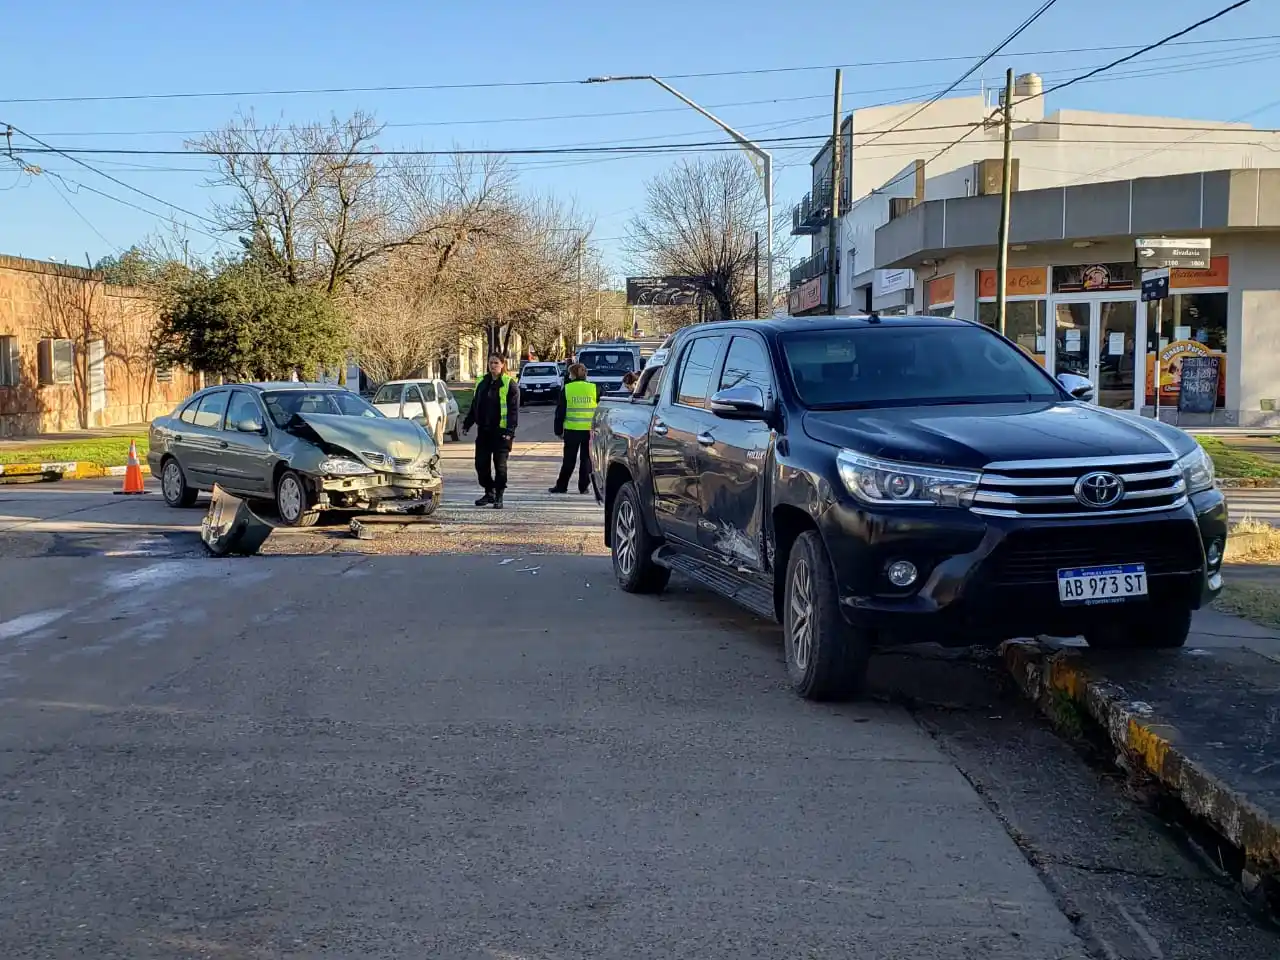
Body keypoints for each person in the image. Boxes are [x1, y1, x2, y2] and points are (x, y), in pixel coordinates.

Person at [462, 355, 520, 509]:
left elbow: (513, 411)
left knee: (500, 466)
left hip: (501, 432)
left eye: (496, 363)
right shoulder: (481, 382)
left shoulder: (509, 384)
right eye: (490, 363)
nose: (493, 365)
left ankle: (499, 496)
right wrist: (467, 423)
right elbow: (475, 405)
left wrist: (510, 431)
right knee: (481, 465)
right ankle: (489, 492)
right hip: (484, 431)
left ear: (502, 365)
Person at [549, 363, 597, 495]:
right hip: (589, 431)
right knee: (586, 460)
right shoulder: (594, 388)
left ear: (573, 374)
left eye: (570, 373)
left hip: (572, 430)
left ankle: (562, 486)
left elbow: (560, 412)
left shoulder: (568, 389)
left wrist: (558, 430)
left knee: (569, 460)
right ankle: (583, 487)